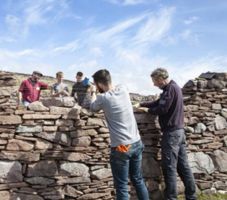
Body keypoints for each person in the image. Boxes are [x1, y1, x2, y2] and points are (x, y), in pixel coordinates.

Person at [90, 69, 149, 200]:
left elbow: (92, 108)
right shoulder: (123, 89)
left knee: (122, 186)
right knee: (138, 179)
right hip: (137, 142)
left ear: (99, 83)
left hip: (123, 147)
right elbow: (114, 87)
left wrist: (93, 92)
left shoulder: (103, 98)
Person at [140, 68, 196, 200]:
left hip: (172, 133)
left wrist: (147, 111)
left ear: (161, 78)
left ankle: (171, 198)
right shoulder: (171, 88)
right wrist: (142, 103)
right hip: (179, 132)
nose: (154, 84)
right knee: (183, 166)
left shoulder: (170, 89)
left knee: (169, 167)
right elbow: (158, 102)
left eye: (155, 81)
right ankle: (191, 196)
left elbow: (162, 108)